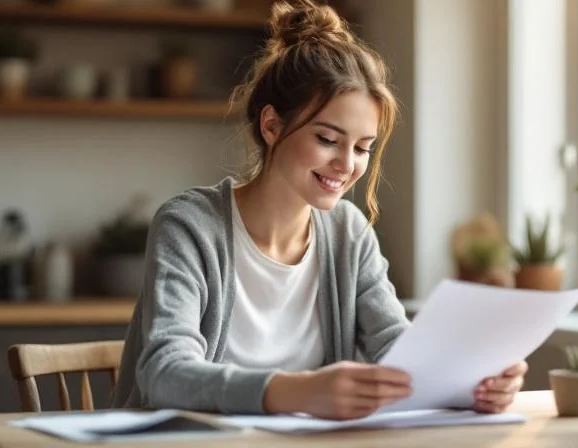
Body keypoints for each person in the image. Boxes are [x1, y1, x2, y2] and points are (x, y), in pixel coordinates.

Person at [110, 0, 528, 420]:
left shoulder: (349, 233)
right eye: (328, 139)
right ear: (271, 125)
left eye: (363, 147)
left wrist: (473, 384)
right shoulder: (189, 225)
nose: (347, 165)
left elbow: (401, 353)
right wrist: (297, 391)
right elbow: (164, 373)